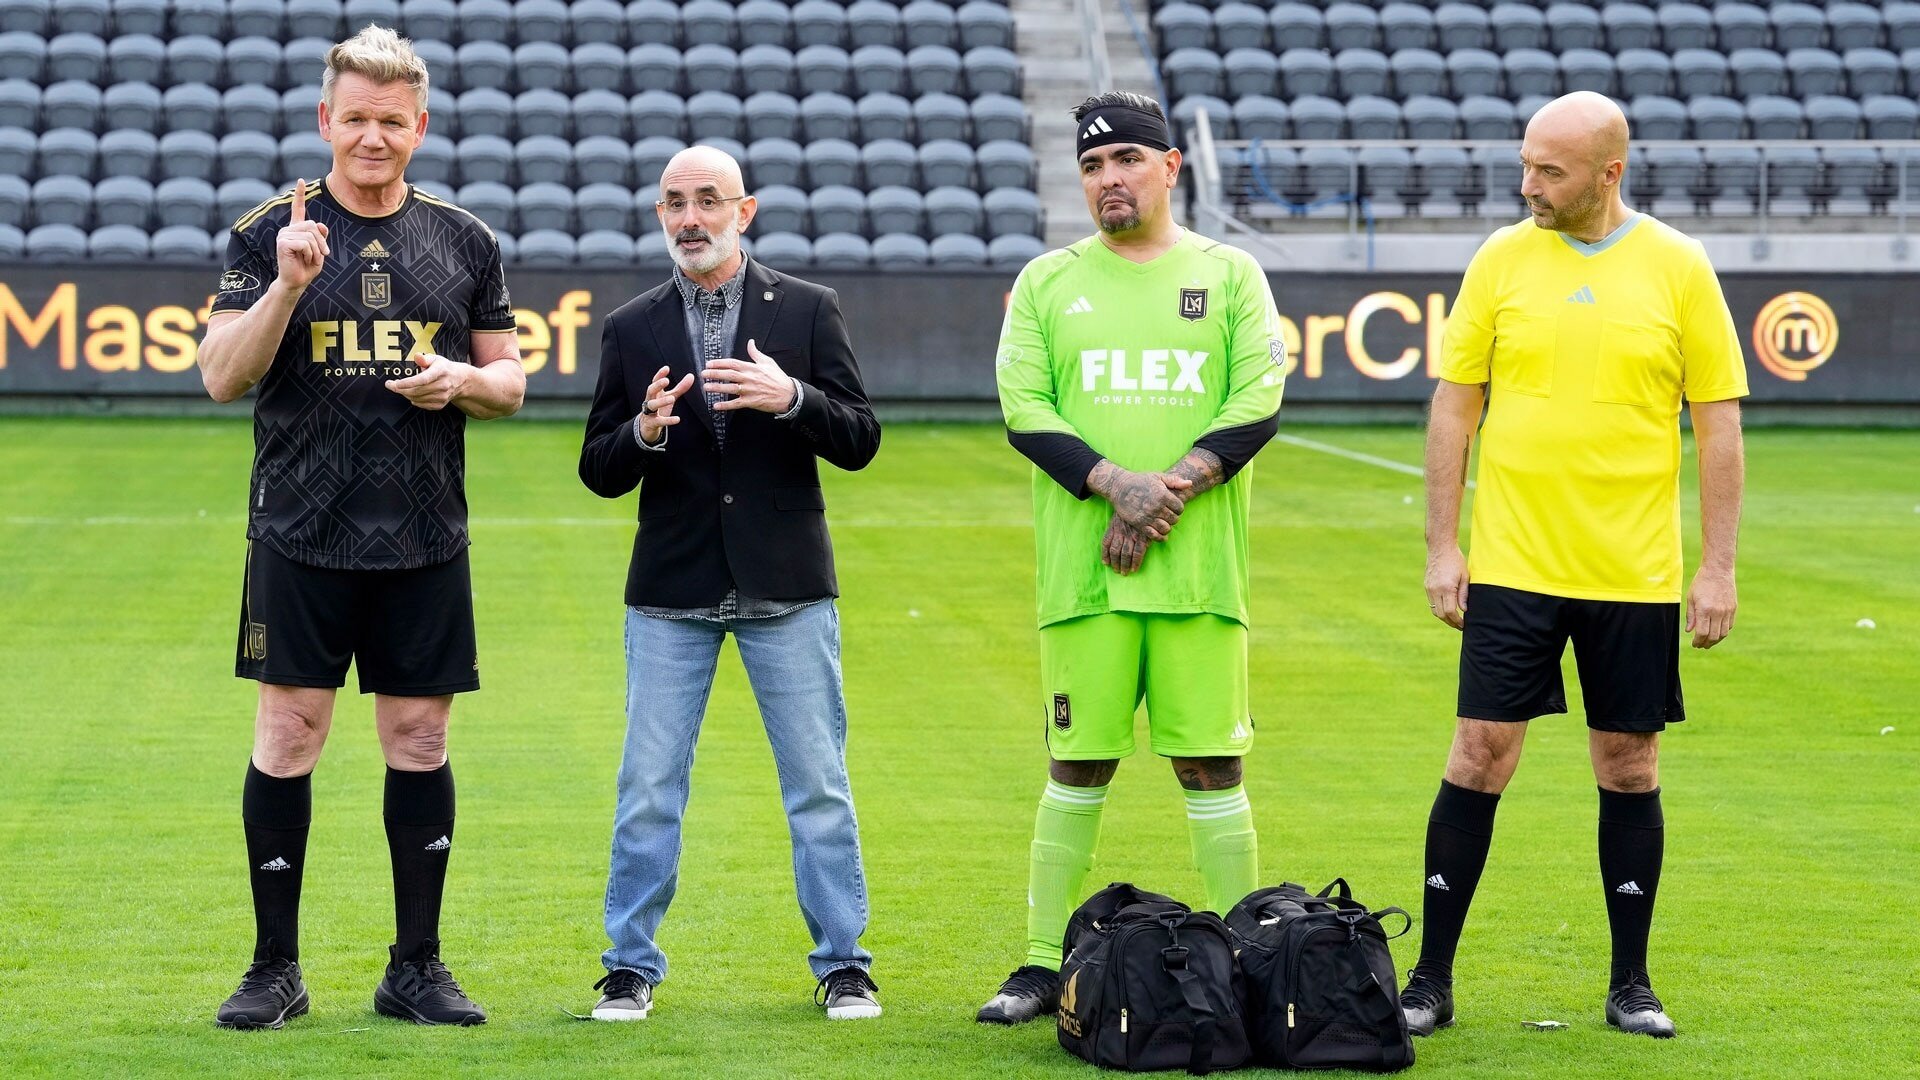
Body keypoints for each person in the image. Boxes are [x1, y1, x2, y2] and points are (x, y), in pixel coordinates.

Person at [196, 25, 524, 1029]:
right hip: (299, 532)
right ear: (324, 122)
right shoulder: (267, 234)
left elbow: (510, 383)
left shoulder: (464, 238)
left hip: (425, 536)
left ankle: (414, 968)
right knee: (289, 733)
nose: (372, 137)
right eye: (356, 119)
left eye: (392, 120)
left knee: (419, 738)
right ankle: (274, 970)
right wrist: (292, 284)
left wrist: (463, 380)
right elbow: (219, 376)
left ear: (418, 126)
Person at [1401, 91, 1747, 1040]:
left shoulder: (1679, 267)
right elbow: (1453, 405)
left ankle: (1629, 983)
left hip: (1633, 573)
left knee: (1628, 765)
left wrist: (1716, 568)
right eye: (1525, 165)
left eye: (1549, 171)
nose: (1530, 186)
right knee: (1479, 755)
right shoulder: (1501, 258)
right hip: (1513, 565)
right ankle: (1429, 979)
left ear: (1609, 173)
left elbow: (1718, 423)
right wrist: (1442, 546)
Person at [976, 91, 1286, 1025]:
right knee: (1078, 764)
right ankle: (1039, 963)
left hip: (1200, 577)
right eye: (1093, 168)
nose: (1109, 181)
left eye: (1126, 163)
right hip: (1086, 576)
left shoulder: (1231, 274)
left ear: (1168, 168)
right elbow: (1026, 410)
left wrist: (1161, 495)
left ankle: (1242, 956)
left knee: (1210, 767)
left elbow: (1256, 401)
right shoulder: (1045, 282)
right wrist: (1119, 486)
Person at [577, 146, 884, 1023]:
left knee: (818, 784)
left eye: (708, 201)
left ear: (743, 212)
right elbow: (599, 468)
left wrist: (792, 399)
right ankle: (628, 966)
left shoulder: (811, 310)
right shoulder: (632, 326)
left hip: (786, 589)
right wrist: (641, 430)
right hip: (671, 592)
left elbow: (860, 438)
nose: (689, 218)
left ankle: (844, 963)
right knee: (647, 790)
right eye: (674, 202)